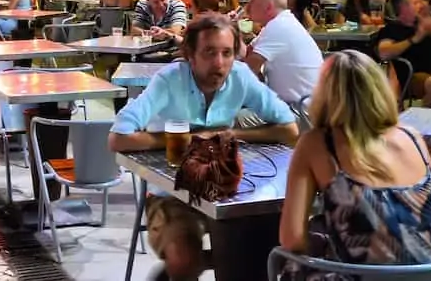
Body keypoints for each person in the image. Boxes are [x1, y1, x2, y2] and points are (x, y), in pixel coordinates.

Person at [110, 15, 299, 281]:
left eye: (227, 53)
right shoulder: (169, 80)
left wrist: (234, 133)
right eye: (209, 52)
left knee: (265, 240)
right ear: (190, 54)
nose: (219, 63)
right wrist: (183, 139)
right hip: (169, 192)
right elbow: (118, 138)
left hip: (227, 188)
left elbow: (289, 129)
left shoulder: (240, 76)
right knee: (184, 256)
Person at [279, 51, 431, 270]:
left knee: (288, 264)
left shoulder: (317, 143)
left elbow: (292, 239)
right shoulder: (412, 136)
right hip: (429, 277)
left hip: (356, 276)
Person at [244, 0, 323, 105]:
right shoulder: (280, 22)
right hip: (302, 105)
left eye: (252, 1)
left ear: (268, 7)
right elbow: (246, 54)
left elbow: (247, 69)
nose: (247, 7)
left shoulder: (278, 26)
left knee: (229, 118)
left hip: (299, 111)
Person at [377, 0, 431, 106]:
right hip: (412, 75)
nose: (421, 6)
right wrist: (414, 39)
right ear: (403, 8)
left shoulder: (425, 24)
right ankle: (421, 120)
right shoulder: (392, 29)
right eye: (415, 3)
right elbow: (384, 53)